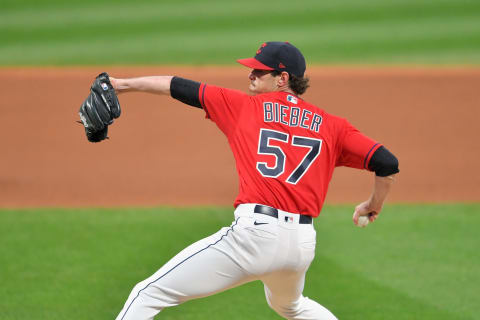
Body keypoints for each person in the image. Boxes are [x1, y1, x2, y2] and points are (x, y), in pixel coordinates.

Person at [111, 41, 399, 320]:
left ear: (282, 78)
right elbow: (387, 162)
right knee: (292, 307)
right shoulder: (333, 126)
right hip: (300, 246)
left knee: (147, 293)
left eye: (260, 71)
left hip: (254, 237)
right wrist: (373, 204)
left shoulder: (244, 107)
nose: (250, 74)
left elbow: (179, 86)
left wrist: (121, 84)